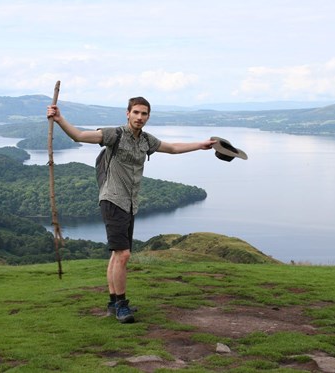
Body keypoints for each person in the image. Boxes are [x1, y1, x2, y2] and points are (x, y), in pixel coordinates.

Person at [47, 97, 215, 323]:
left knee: (117, 255)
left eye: (144, 114)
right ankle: (122, 305)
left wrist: (201, 145)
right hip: (112, 199)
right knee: (124, 254)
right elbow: (79, 136)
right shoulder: (113, 134)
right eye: (136, 112)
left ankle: (112, 302)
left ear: (148, 116)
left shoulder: (146, 140)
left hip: (130, 203)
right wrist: (59, 119)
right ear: (127, 113)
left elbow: (173, 148)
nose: (139, 117)